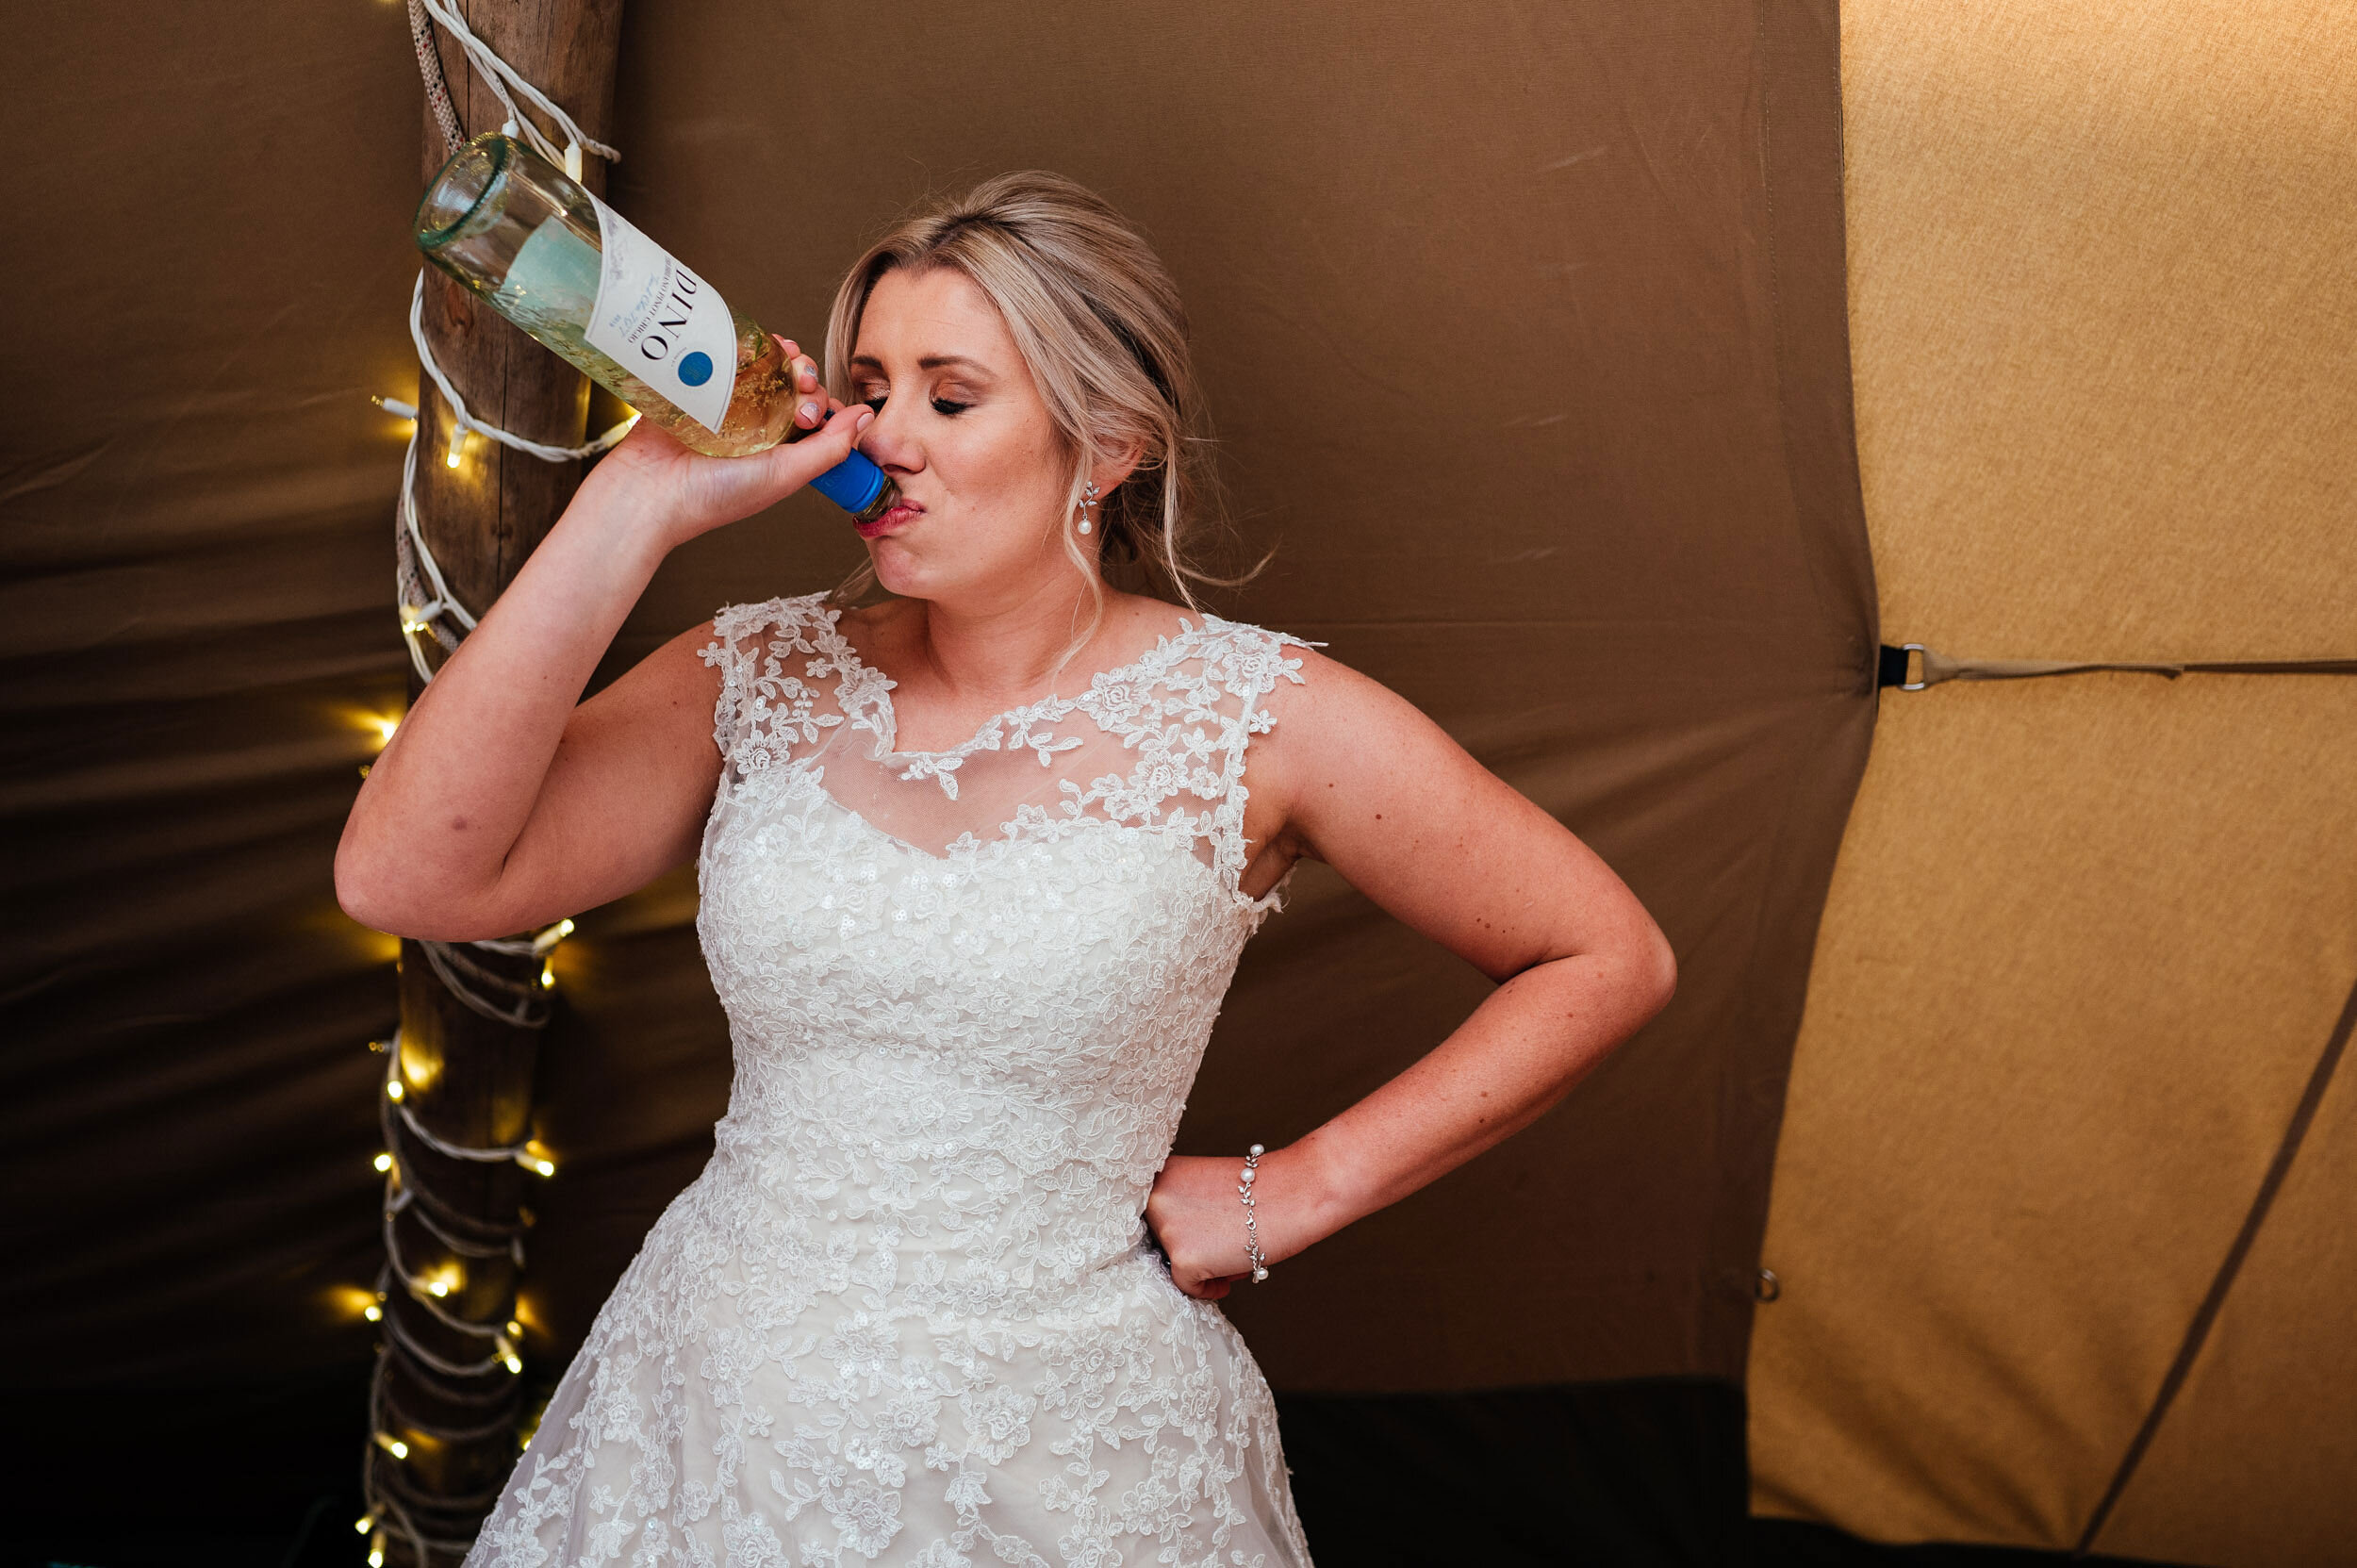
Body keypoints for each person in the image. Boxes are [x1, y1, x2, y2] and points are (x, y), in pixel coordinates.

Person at [338, 171, 1675, 1568]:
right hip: (718, 1418)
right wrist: (639, 506)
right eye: (869, 388)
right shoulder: (756, 672)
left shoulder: (1263, 718)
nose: (886, 438)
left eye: (950, 396)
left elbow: (1605, 954)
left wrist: (1305, 1187)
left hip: (1076, 1455)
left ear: (1106, 446)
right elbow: (407, 878)